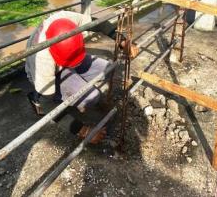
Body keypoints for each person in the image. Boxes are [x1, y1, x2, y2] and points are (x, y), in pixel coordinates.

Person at [25, 11, 138, 143]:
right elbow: (48, 105)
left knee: (108, 69)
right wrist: (83, 131)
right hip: (52, 73)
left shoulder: (66, 19)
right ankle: (35, 98)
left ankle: (74, 79)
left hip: (70, 55)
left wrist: (123, 42)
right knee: (91, 97)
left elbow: (98, 23)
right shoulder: (42, 60)